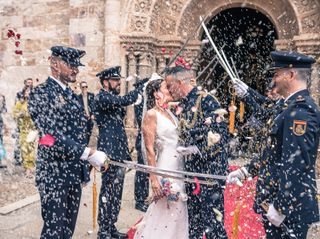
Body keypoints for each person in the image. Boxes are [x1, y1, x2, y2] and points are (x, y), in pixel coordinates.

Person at [227, 50, 320, 239]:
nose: (274, 80)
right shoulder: (287, 106)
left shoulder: (301, 111)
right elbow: (272, 151)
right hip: (279, 203)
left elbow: (296, 164)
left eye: (277, 74)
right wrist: (247, 171)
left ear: (291, 74)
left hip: (290, 210)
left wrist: (281, 207)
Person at [28, 46, 106, 239]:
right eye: (70, 64)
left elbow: (78, 131)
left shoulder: (72, 94)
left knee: (66, 232)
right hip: (53, 174)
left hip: (71, 173)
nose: (75, 69)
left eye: (76, 65)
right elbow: (50, 137)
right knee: (54, 232)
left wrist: (85, 162)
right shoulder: (41, 93)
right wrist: (88, 153)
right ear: (54, 63)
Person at [165, 66, 229, 239]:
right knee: (194, 224)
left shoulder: (207, 100)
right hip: (191, 172)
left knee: (213, 223)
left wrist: (197, 149)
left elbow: (221, 134)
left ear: (179, 83)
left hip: (209, 173)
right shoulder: (183, 105)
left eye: (170, 86)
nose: (169, 91)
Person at [95, 66, 147, 239]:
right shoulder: (102, 96)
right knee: (108, 191)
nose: (118, 83)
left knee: (116, 193)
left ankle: (111, 226)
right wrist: (140, 88)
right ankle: (103, 231)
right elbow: (124, 101)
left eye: (118, 80)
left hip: (118, 152)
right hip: (109, 152)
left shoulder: (112, 98)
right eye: (115, 80)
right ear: (105, 82)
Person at [134, 74, 188, 238]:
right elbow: (150, 149)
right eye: (165, 87)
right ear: (156, 93)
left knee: (178, 210)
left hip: (178, 166)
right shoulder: (151, 114)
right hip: (165, 167)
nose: (169, 90)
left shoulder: (170, 113)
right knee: (165, 209)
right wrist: (154, 179)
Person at [12, 87, 37, 176]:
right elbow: (14, 114)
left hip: (32, 129)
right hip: (23, 129)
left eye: (30, 92)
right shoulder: (20, 103)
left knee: (30, 148)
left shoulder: (35, 104)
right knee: (24, 149)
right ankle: (27, 168)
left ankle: (30, 168)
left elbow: (39, 115)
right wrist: (20, 114)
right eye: (26, 91)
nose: (28, 93)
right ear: (24, 93)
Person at [133, 90, 149, 212]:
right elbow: (141, 120)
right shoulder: (140, 102)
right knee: (142, 172)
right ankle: (139, 199)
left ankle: (144, 197)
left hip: (147, 140)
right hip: (142, 140)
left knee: (146, 172)